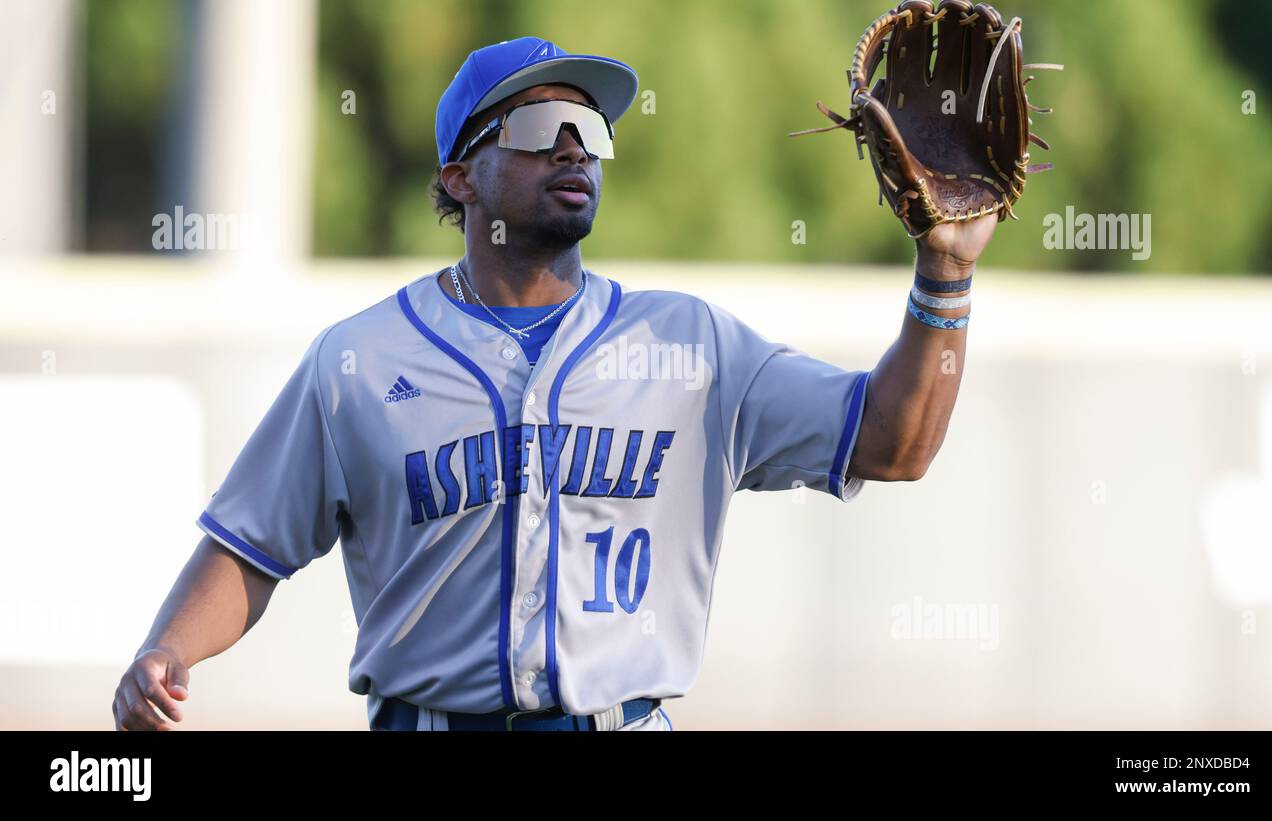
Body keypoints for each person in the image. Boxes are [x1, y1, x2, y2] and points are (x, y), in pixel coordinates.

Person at [113, 35, 990, 732]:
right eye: (537, 132)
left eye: (591, 131)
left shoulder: (689, 345)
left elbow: (893, 443)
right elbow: (250, 543)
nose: (575, 147)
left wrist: (944, 273)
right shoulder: (361, 359)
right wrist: (166, 649)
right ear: (460, 175)